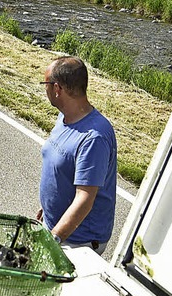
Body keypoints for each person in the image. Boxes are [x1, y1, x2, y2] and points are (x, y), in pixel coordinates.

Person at [36, 56, 117, 255]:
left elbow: (85, 199)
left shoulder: (93, 138)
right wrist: (48, 211)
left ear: (57, 89)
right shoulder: (64, 118)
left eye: (45, 84)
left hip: (77, 242)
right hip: (56, 227)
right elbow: (60, 167)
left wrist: (54, 238)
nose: (44, 89)